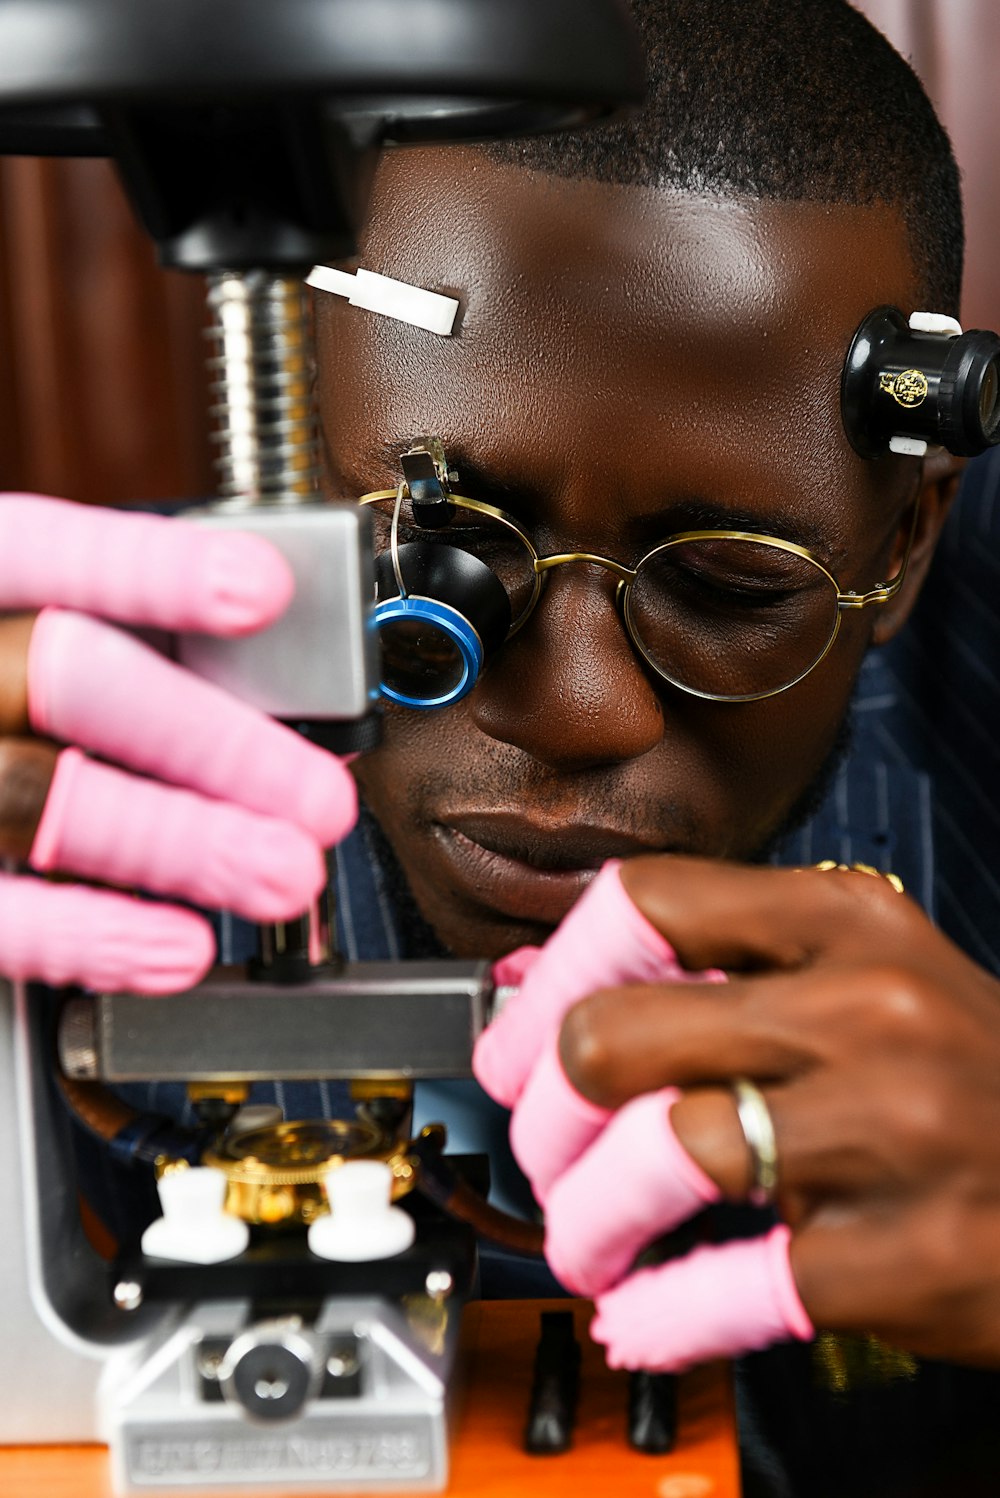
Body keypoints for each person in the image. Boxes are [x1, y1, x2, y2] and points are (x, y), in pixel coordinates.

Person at [3, 0, 1000, 1492]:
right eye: (442, 553)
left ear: (905, 540)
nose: (580, 709)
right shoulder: (68, 700)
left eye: (730, 584)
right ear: (311, 420)